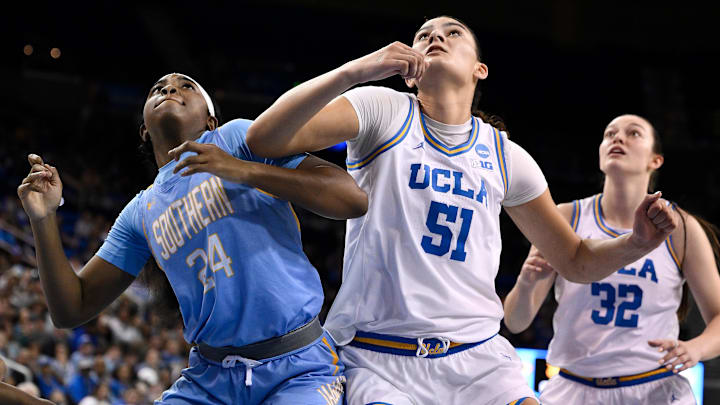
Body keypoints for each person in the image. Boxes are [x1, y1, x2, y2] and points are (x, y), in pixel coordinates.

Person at [245, 15, 678, 405]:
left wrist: (637, 242)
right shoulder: (383, 109)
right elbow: (264, 139)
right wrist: (356, 71)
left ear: (479, 70)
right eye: (424, 34)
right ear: (409, 73)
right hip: (379, 357)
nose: (435, 37)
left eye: (452, 33)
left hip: (478, 360)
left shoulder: (507, 157)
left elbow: (577, 261)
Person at [17, 73, 369, 404]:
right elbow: (70, 308)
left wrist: (245, 170)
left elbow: (351, 198)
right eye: (159, 88)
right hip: (211, 378)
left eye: (186, 86)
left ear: (210, 121)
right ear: (144, 131)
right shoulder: (140, 212)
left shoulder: (236, 139)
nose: (170, 90)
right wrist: (43, 219)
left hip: (299, 366)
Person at [503, 114, 720, 404]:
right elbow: (516, 322)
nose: (617, 138)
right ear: (601, 155)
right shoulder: (566, 217)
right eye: (609, 134)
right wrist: (527, 284)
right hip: (572, 385)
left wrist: (695, 349)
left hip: (653, 385)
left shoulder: (680, 227)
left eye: (634, 133)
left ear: (655, 160)